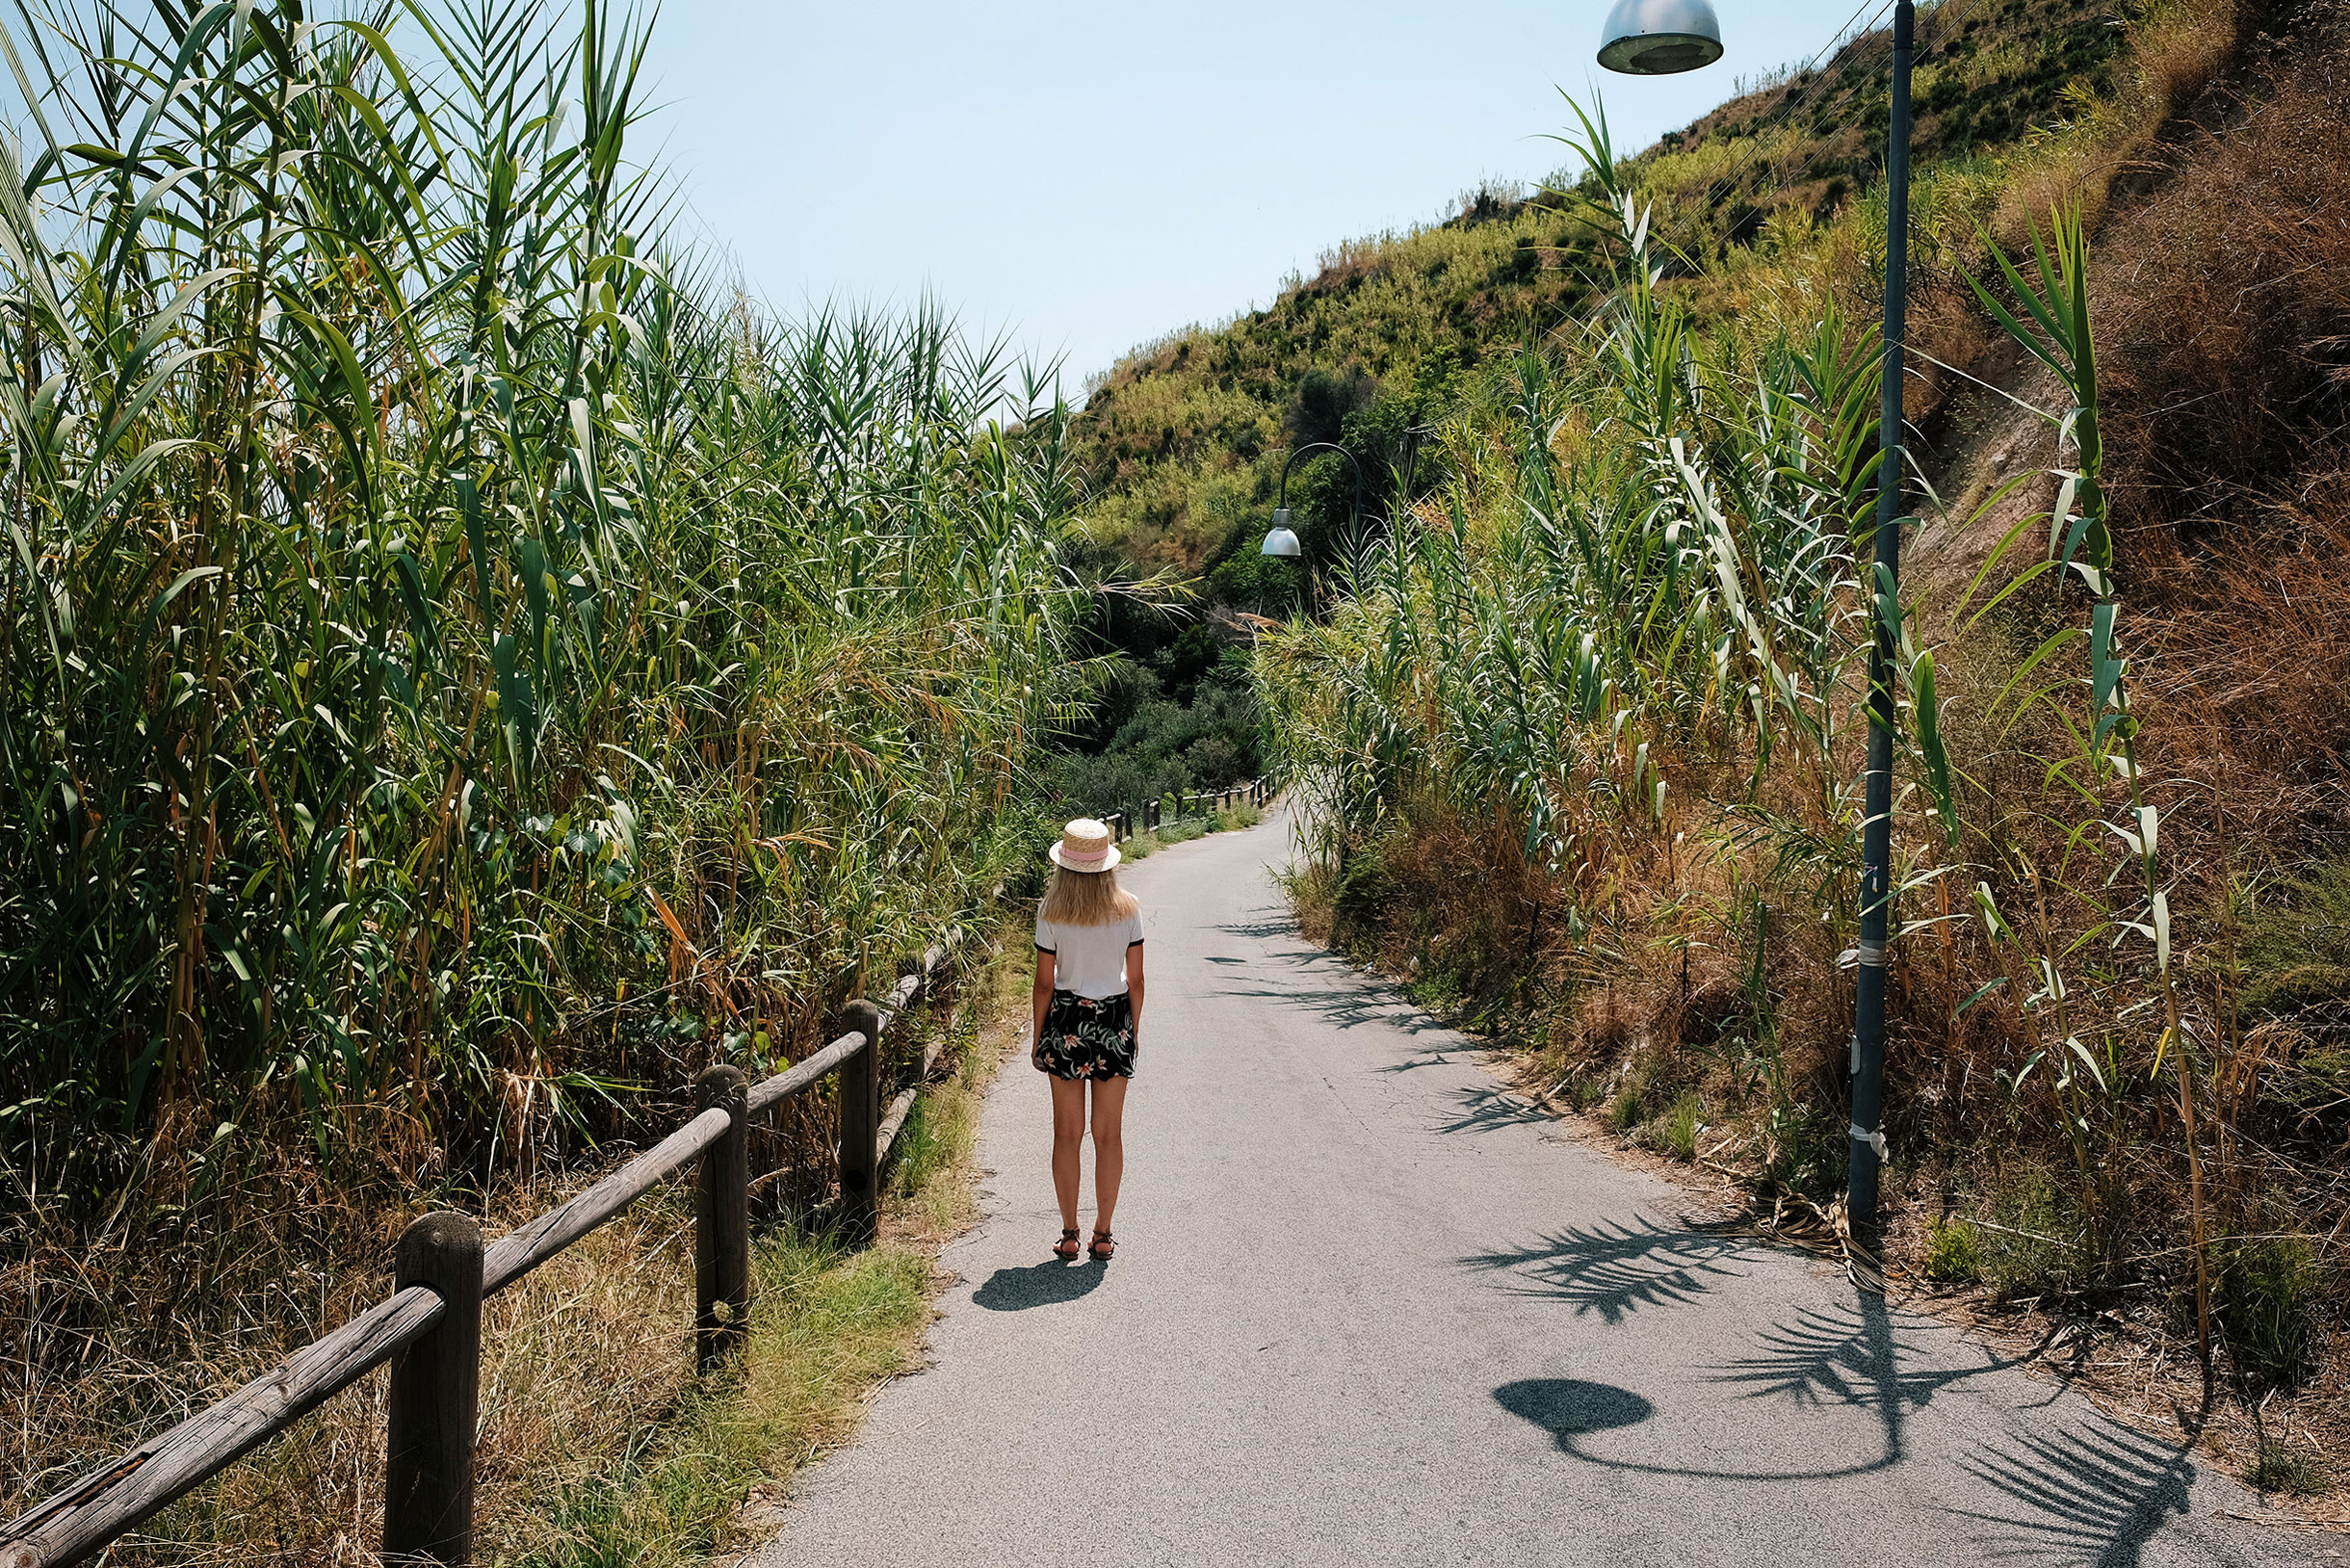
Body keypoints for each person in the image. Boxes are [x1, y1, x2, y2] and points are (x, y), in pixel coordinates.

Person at [1031, 818, 1145, 1263]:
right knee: (1109, 1135)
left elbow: (1043, 984)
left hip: (1065, 1024)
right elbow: (1136, 979)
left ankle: (1070, 1233)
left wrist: (1039, 1038)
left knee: (1067, 1134)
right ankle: (1103, 1234)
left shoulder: (1050, 911)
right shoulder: (1128, 908)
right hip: (1115, 1019)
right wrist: (1134, 1031)